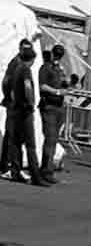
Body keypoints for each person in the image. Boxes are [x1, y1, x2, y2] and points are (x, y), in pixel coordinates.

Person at [2, 33, 43, 185]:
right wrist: (28, 102)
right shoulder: (20, 66)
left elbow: (7, 82)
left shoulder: (17, 62)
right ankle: (9, 167)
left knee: (14, 139)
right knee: (18, 139)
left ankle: (14, 169)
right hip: (20, 108)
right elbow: (8, 82)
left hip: (15, 106)